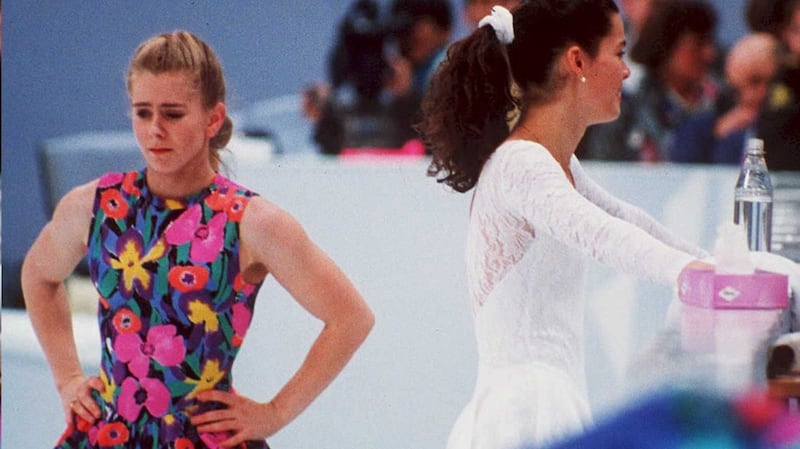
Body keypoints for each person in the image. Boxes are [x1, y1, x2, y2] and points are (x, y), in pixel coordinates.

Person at [21, 30, 374, 449]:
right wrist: (67, 380)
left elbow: (351, 317)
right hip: (109, 434)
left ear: (212, 118)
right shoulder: (94, 205)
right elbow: (38, 276)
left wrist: (276, 413)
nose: (155, 130)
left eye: (172, 114)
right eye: (143, 113)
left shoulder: (251, 222)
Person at [415, 2, 711, 448]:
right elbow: (601, 235)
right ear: (577, 61)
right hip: (524, 409)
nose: (628, 73)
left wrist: (714, 267)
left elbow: (627, 220)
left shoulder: (555, 161)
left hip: (548, 395)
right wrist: (693, 276)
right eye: (619, 52)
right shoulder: (521, 163)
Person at [577, 0, 720, 161]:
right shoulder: (627, 114)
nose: (709, 54)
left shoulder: (723, 104)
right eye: (696, 45)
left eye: (710, 42)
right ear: (666, 49)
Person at [307, 0, 453, 155]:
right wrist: (325, 111)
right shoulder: (342, 102)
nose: (408, 37)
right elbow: (328, 146)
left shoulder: (443, 70)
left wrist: (408, 97)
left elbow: (436, 142)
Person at [670, 32, 780, 164]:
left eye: (772, 81)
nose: (762, 92)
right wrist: (717, 133)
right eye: (754, 81)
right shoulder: (708, 125)